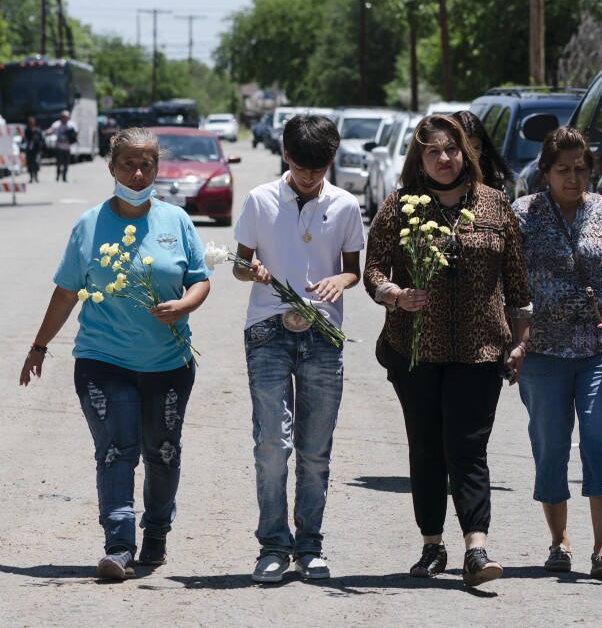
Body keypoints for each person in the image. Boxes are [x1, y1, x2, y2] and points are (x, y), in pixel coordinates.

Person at [19, 127, 212, 580]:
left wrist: (185, 304)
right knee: (115, 451)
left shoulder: (177, 221)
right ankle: (119, 546)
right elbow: (67, 292)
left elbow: (200, 278)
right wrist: (39, 345)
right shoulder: (88, 225)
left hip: (169, 363)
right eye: (128, 163)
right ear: (111, 168)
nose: (138, 172)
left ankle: (157, 535)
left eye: (147, 164)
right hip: (102, 362)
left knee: (163, 452)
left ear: (157, 168)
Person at [364, 114, 531, 587]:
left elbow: (517, 284)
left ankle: (475, 548)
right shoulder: (399, 206)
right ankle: (432, 544)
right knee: (427, 445)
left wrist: (521, 342)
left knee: (467, 446)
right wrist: (395, 295)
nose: (444, 158)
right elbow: (373, 272)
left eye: (452, 150)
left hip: (480, 349)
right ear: (419, 158)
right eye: (433, 151)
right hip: (414, 348)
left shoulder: (495, 205)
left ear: (467, 154)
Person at [233, 114, 365, 583]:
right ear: (286, 155)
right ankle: (272, 544)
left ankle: (309, 545)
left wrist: (339, 279)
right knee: (272, 444)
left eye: (319, 167)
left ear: (332, 159)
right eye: (301, 165)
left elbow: (355, 269)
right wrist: (255, 273)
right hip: (268, 331)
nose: (310, 176)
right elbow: (239, 265)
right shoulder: (260, 199)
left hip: (323, 335)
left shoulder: (346, 205)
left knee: (315, 449)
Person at [511, 125, 602, 577]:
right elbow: (510, 281)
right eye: (563, 170)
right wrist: (517, 335)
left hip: (600, 349)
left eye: (581, 169)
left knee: (601, 440)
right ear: (544, 171)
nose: (573, 178)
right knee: (550, 447)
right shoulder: (524, 214)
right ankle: (559, 541)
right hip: (543, 352)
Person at [451, 110, 513, 193]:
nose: (472, 155)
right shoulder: (440, 176)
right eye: (465, 148)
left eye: (477, 147)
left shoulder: (492, 181)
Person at [47, 109, 77, 182]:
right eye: (63, 117)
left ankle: (64, 177)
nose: (64, 118)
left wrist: (71, 134)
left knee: (66, 164)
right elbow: (50, 131)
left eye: (66, 117)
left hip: (67, 147)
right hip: (59, 147)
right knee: (59, 163)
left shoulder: (71, 125)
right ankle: (57, 176)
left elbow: (76, 133)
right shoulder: (57, 124)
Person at [23, 115, 44, 183]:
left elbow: (41, 139)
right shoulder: (27, 130)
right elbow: (25, 138)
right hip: (29, 150)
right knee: (30, 164)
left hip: (36, 149)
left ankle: (36, 177)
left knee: (36, 163)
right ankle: (31, 177)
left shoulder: (37, 129)